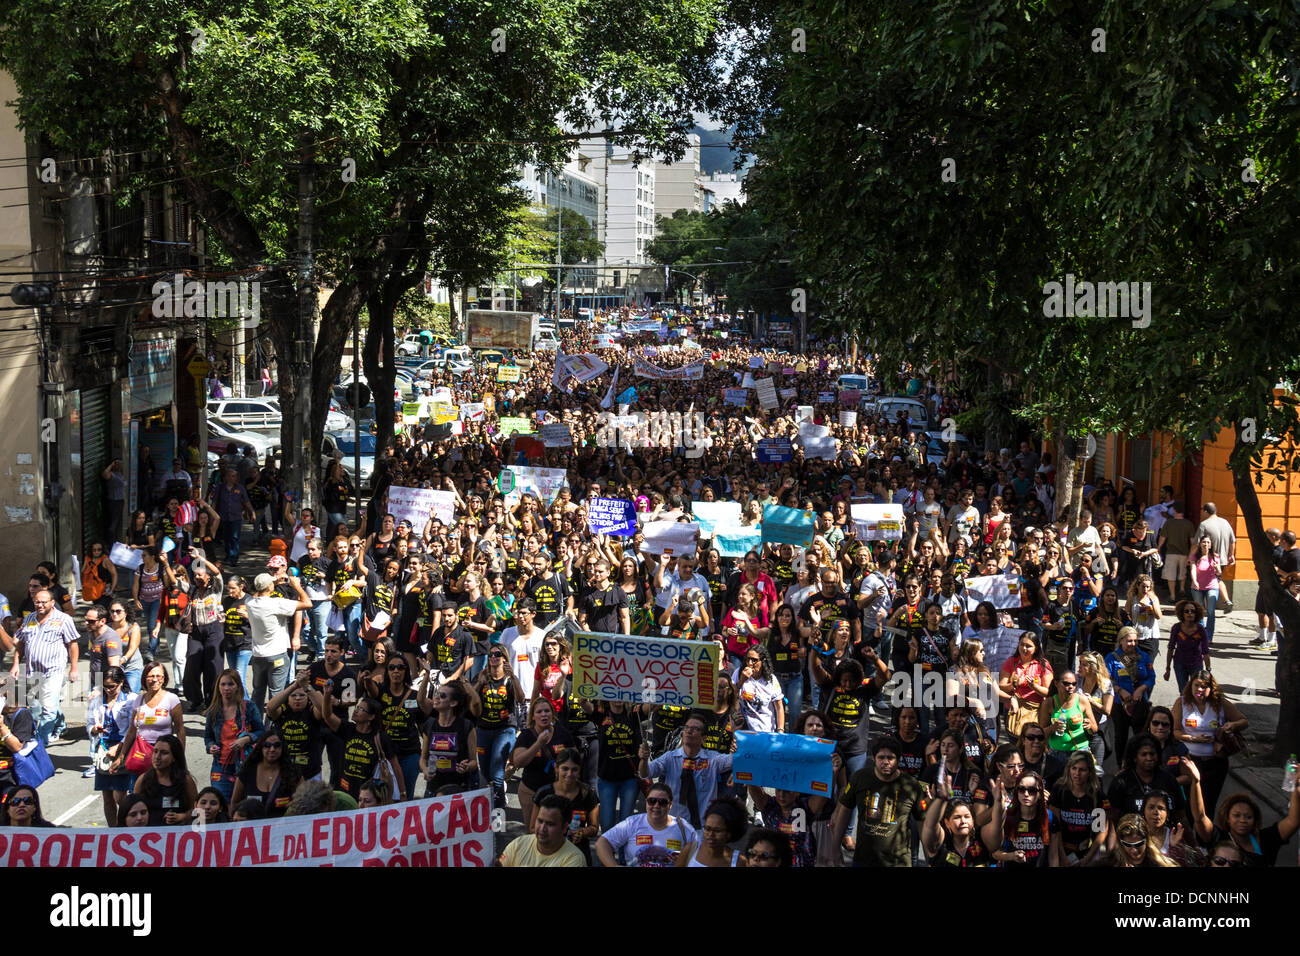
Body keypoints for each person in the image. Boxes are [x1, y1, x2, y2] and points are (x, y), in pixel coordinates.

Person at [826, 736, 928, 867]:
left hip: (898, 863)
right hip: (863, 861)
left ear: (898, 760)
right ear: (873, 758)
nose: (886, 762)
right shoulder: (859, 778)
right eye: (881, 757)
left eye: (890, 758)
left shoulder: (912, 786)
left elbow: (922, 824)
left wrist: (929, 858)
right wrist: (834, 850)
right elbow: (844, 814)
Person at [1185, 760, 1300, 867]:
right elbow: (1200, 817)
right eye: (1237, 815)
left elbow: (1293, 821)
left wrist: (1297, 787)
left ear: (1255, 820)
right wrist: (1196, 782)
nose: (1242, 820)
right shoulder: (1217, 837)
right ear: (1227, 818)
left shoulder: (1267, 839)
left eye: (1248, 817)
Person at [639, 711, 734, 830]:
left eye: (695, 729)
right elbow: (645, 773)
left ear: (703, 738)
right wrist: (643, 759)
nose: (689, 731)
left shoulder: (712, 760)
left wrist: (736, 736)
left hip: (702, 828)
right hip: (674, 826)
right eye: (687, 728)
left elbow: (735, 760)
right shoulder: (670, 757)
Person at [7, 588, 79, 745]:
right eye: (37, 602)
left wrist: (74, 668)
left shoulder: (64, 619)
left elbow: (73, 644)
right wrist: (15, 664)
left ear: (52, 603)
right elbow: (20, 643)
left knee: (48, 709)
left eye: (44, 602)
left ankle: (40, 741)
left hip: (54, 671)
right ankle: (60, 725)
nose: (40, 605)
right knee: (35, 707)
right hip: (33, 671)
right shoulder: (29, 619)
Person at [1170, 669, 1247, 815]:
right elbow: (1175, 732)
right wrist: (1193, 738)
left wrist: (1232, 725)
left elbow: (1243, 721)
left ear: (1211, 689)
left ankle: (1206, 836)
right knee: (1188, 806)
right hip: (1190, 762)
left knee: (1208, 805)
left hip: (1215, 763)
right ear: (1190, 686)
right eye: (1196, 685)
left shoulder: (1221, 703)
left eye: (1204, 686)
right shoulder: (1182, 703)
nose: (1200, 690)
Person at [244, 570, 310, 708]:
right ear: (269, 587)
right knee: (277, 694)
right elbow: (307, 604)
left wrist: (272, 579)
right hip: (277, 654)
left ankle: (256, 726)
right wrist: (297, 586)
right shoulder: (276, 603)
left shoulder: (249, 602)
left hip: (258, 656)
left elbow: (256, 592)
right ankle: (273, 726)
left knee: (258, 692)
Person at [595, 781, 698, 867]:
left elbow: (702, 852)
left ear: (670, 805)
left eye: (662, 802)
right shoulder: (632, 823)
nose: (656, 806)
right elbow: (602, 843)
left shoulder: (683, 827)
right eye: (652, 801)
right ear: (646, 802)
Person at [321, 691, 403, 798]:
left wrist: (403, 793)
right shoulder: (348, 729)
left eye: (361, 709)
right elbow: (327, 716)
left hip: (369, 795)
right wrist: (327, 695)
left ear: (371, 717)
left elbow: (396, 767)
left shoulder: (381, 738)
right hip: (345, 791)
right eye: (357, 707)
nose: (355, 710)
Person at [86, 665, 137, 826]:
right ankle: (113, 830)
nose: (108, 690)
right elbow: (89, 723)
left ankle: (126, 827)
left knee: (120, 796)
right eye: (105, 687)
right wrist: (94, 729)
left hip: (122, 749)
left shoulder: (131, 700)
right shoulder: (97, 700)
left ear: (121, 682)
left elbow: (133, 728)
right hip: (103, 749)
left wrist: (119, 747)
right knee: (107, 797)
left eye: (112, 687)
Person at [530, 748, 600, 862]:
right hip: (548, 854)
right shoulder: (544, 793)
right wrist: (553, 835)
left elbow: (594, 828)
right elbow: (532, 828)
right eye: (565, 769)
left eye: (574, 770)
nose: (569, 774)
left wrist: (582, 832)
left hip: (578, 854)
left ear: (580, 770)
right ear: (556, 768)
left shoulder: (588, 794)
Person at [512, 697, 573, 827]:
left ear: (552, 714)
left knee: (556, 830)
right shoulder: (526, 735)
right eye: (539, 712)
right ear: (533, 716)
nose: (544, 714)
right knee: (533, 831)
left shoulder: (562, 733)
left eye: (547, 711)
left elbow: (575, 759)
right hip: (530, 791)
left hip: (557, 791)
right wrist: (538, 744)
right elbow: (518, 762)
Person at [419, 678, 480, 795]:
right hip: (434, 788)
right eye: (437, 694)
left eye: (442, 696)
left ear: (453, 703)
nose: (436, 698)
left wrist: (466, 767)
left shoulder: (466, 726)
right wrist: (425, 771)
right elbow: (423, 758)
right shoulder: (430, 724)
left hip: (458, 788)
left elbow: (474, 762)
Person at [1105, 626, 1155, 760]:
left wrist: (1141, 688)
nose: (1133, 644)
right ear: (1121, 641)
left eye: (1135, 641)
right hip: (1120, 703)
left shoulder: (1144, 657)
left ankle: (1140, 762)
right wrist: (1120, 690)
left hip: (1139, 702)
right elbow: (1105, 680)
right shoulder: (1112, 658)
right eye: (1129, 641)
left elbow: (1151, 677)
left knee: (1141, 735)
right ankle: (1121, 765)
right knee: (1121, 736)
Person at [230, 729, 302, 818]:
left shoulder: (293, 772)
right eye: (267, 745)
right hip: (253, 829)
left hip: (283, 829)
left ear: (282, 747)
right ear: (260, 747)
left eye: (277, 745)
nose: (272, 749)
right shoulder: (247, 771)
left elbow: (302, 804)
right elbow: (235, 803)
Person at [500, 794, 588, 867]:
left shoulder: (575, 860)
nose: (542, 828)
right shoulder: (518, 844)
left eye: (550, 824)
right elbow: (501, 862)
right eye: (540, 821)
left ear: (564, 828)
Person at [133, 734, 198, 826]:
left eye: (164, 753)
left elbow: (198, 811)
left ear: (174, 757)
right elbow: (132, 810)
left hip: (178, 834)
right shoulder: (143, 780)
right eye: (155, 751)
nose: (157, 757)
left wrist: (182, 816)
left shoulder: (186, 781)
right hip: (149, 835)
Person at [677, 797, 747, 867]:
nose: (711, 834)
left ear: (729, 833)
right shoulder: (690, 850)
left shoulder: (739, 862)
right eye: (707, 829)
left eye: (717, 831)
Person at [733, 645, 784, 733]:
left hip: (765, 730)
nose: (750, 663)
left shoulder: (771, 679)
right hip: (743, 730)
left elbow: (779, 707)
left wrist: (780, 730)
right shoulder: (739, 673)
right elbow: (729, 696)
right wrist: (741, 681)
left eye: (754, 660)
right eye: (747, 659)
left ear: (763, 661)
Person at [1164, 599, 1210, 691]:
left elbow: (1205, 651)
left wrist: (1208, 670)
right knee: (1183, 691)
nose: (1190, 613)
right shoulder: (1176, 628)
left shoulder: (1201, 629)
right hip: (1179, 664)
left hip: (1196, 664)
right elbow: (1171, 648)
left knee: (1197, 691)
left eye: (1193, 611)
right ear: (1182, 613)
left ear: (1197, 613)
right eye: (1187, 611)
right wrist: (1168, 669)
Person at [1188, 533, 1223, 641]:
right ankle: (1202, 633)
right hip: (1197, 587)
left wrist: (1217, 568)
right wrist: (1195, 581)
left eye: (1208, 542)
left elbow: (1219, 574)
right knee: (1200, 611)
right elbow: (1193, 569)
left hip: (1212, 586)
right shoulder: (1195, 556)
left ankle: (1209, 636)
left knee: (1211, 611)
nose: (1206, 544)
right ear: (1200, 544)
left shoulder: (1215, 557)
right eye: (1204, 542)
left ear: (1211, 545)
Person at [1110, 813, 1177, 867]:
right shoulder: (1110, 862)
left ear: (1147, 841)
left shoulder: (1158, 863)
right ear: (1120, 843)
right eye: (1127, 844)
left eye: (1139, 844)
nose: (1134, 850)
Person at [81, 541, 117, 610]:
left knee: (102, 610)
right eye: (94, 550)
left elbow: (114, 574)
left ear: (102, 550)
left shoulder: (105, 560)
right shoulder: (88, 558)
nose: (96, 552)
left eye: (99, 549)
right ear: (91, 550)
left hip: (104, 590)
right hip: (93, 589)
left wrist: (112, 589)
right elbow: (82, 572)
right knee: (98, 608)